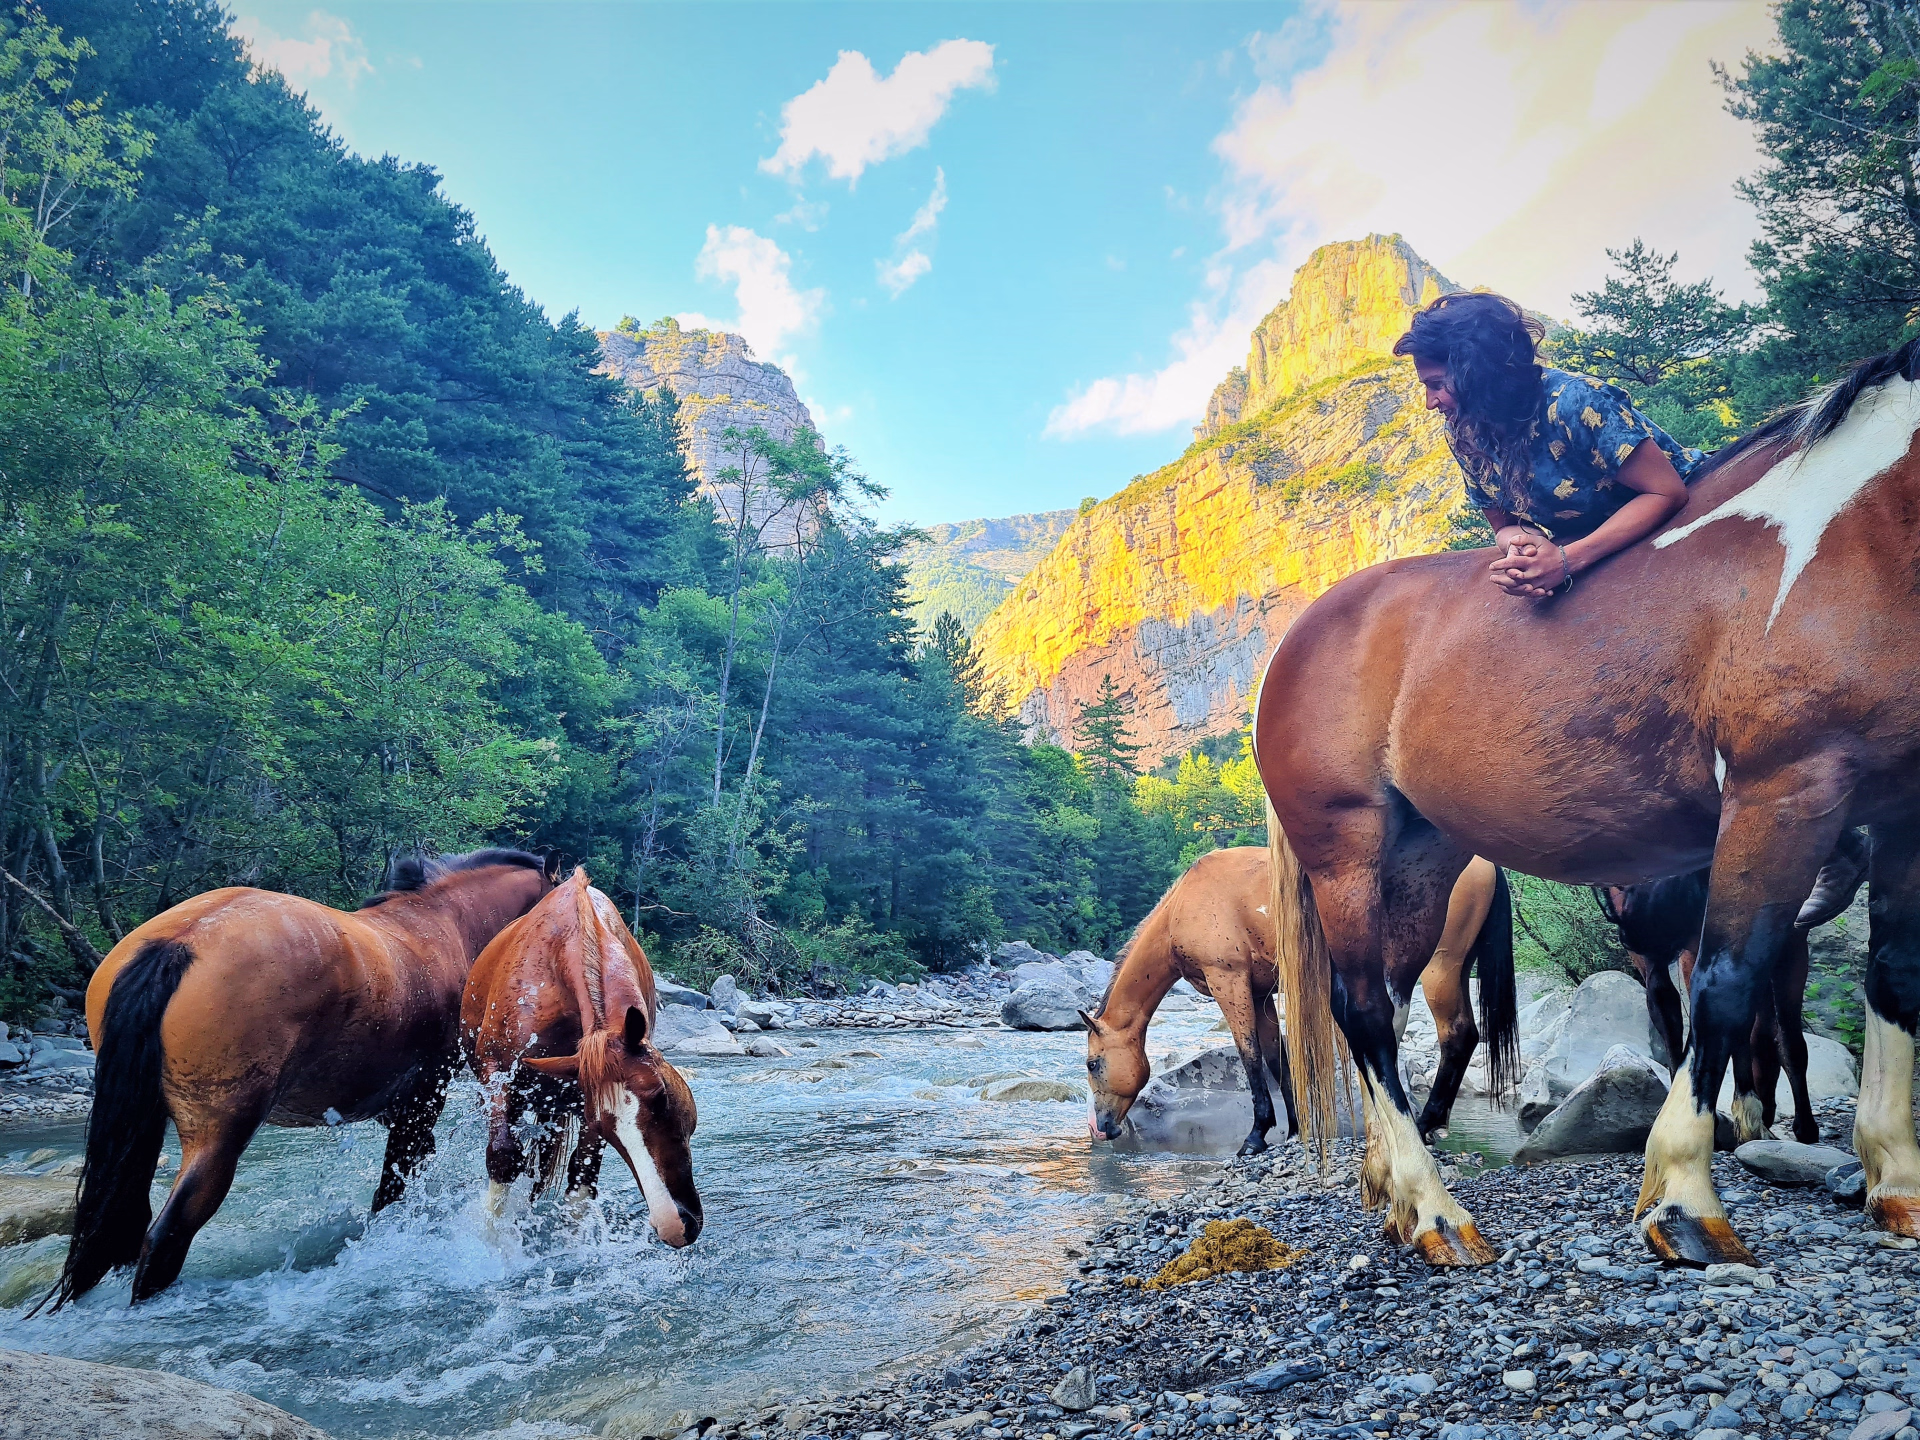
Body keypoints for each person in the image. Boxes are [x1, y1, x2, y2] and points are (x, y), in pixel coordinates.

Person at [1392, 291, 1704, 600]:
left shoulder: (1575, 402)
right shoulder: (1464, 435)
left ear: (1479, 374)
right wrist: (1525, 546)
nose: (1430, 403)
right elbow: (1505, 525)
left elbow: (1666, 491)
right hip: (1595, 542)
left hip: (1687, 517)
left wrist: (1567, 560)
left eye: (1437, 384)